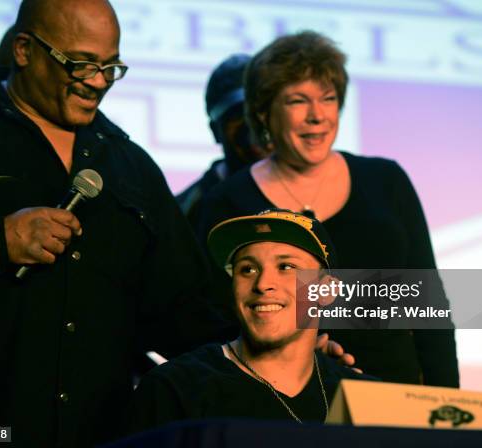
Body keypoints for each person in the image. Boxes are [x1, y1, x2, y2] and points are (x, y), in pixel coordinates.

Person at [0, 0, 227, 446]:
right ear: (24, 50)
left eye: (111, 66)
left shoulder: (131, 167)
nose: (97, 82)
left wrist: (280, 347)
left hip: (100, 437)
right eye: (81, 64)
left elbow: (185, 311)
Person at [197, 31, 459, 387]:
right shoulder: (227, 201)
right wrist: (292, 345)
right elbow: (214, 322)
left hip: (395, 396)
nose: (317, 116)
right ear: (263, 112)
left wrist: (447, 408)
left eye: (328, 98)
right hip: (279, 404)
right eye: (297, 101)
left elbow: (430, 308)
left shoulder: (386, 180)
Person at [129, 209, 374, 431]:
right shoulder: (175, 389)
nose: (263, 283)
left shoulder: (362, 395)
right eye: (248, 269)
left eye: (286, 267)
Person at [177, 54, 270, 230]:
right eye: (238, 114)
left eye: (264, 110)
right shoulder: (184, 213)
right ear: (215, 130)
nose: (255, 125)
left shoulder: (318, 193)